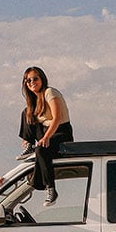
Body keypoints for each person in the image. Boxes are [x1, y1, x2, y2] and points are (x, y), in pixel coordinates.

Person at [20, 67, 73, 206]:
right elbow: (33, 122)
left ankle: (51, 189)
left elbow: (57, 118)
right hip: (46, 131)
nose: (32, 82)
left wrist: (46, 137)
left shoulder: (50, 92)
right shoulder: (35, 101)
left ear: (42, 79)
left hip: (61, 131)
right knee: (26, 112)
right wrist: (28, 138)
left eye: (35, 79)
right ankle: (30, 145)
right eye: (28, 80)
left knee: (41, 150)